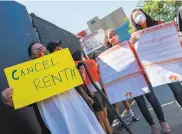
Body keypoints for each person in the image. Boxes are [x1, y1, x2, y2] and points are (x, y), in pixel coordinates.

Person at [1, 42, 106, 134]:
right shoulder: (29, 79)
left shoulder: (62, 65)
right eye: (36, 50)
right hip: (54, 120)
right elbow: (23, 104)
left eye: (42, 48)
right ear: (31, 57)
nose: (41, 51)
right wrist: (6, 100)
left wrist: (81, 73)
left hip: (77, 109)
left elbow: (79, 83)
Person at [105, 26, 170, 134]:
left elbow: (139, 54)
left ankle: (163, 122)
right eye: (109, 36)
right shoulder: (108, 55)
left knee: (152, 99)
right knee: (141, 104)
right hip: (130, 82)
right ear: (108, 40)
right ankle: (152, 126)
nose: (112, 37)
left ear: (118, 35)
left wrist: (133, 44)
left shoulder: (128, 44)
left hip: (141, 76)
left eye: (113, 34)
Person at [46, 41, 95, 112]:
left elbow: (79, 83)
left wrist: (81, 73)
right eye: (57, 49)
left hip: (79, 97)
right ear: (51, 53)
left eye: (60, 47)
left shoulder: (68, 62)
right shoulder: (51, 69)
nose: (60, 49)